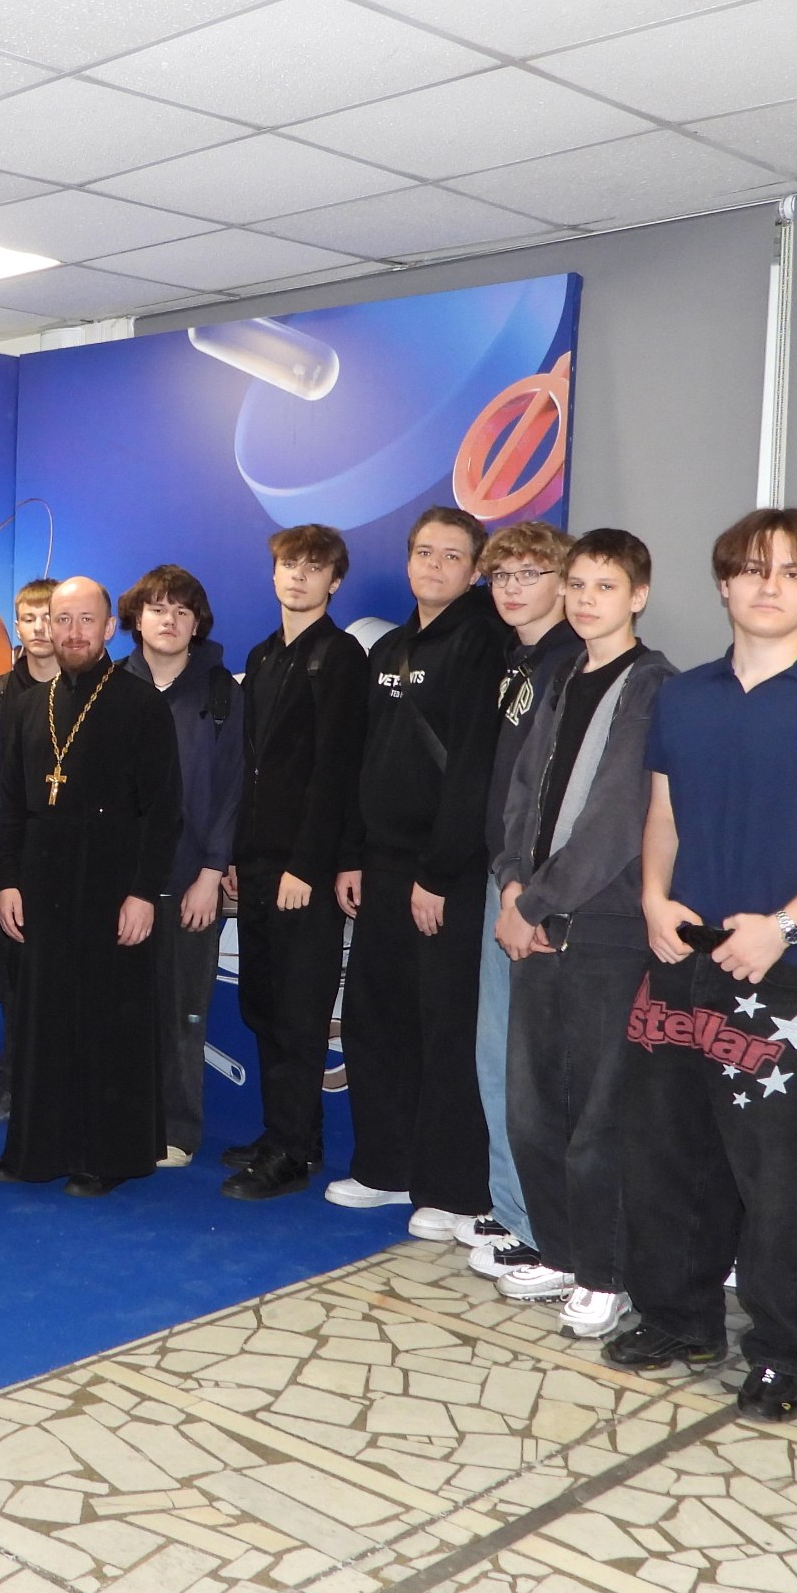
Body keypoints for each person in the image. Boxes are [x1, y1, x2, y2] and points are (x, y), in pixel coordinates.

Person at [609, 507, 797, 1423]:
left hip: (791, 974)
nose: (767, 585)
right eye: (749, 568)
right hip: (682, 958)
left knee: (778, 1179)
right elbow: (665, 813)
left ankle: (783, 1352)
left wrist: (782, 925)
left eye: (789, 571)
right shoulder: (685, 696)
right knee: (667, 1155)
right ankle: (679, 1320)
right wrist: (653, 897)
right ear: (724, 583)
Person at [490, 530, 675, 1341]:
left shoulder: (652, 685)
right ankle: (562, 1250)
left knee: (600, 1109)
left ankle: (606, 1272)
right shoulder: (562, 675)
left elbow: (616, 819)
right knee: (535, 1103)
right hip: (536, 911)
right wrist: (511, 882)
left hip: (603, 924)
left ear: (638, 595)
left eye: (606, 586)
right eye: (578, 585)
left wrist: (537, 904)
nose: (587, 599)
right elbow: (522, 791)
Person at [333, 506, 510, 1235]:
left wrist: (437, 873)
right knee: (377, 1020)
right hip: (380, 865)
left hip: (448, 872)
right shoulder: (389, 647)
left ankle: (454, 1189)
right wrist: (352, 854)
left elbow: (474, 767)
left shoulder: (485, 642)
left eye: (451, 556)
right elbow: (363, 757)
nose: (434, 566)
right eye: (424, 553)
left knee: (447, 1028)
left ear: (475, 570)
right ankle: (386, 1167)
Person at [0, 577, 182, 1195]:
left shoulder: (140, 703)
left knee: (109, 1024)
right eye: (62, 619)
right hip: (42, 885)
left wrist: (144, 893)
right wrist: (8, 881)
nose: (72, 632)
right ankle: (39, 1149)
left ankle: (107, 1157)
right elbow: (11, 804)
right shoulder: (27, 706)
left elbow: (163, 811)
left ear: (108, 628)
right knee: (43, 1020)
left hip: (113, 887)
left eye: (85, 620)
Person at [223, 525, 369, 1201]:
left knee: (298, 1009)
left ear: (334, 581)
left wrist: (306, 867)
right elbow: (247, 765)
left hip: (300, 869)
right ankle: (291, 1136)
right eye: (288, 565)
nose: (298, 577)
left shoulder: (340, 657)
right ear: (273, 572)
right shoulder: (263, 654)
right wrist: (233, 853)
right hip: (254, 861)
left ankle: (288, 1151)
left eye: (314, 568)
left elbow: (336, 770)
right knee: (263, 1004)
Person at [464, 520, 581, 1281]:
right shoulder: (519, 661)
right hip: (502, 875)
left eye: (529, 574)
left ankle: (541, 1223)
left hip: (542, 890)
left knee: (532, 1063)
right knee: (498, 1054)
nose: (511, 588)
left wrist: (531, 894)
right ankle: (512, 1207)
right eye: (501, 575)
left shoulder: (572, 663)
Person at [121, 565, 240, 1168]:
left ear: (197, 624)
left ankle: (176, 1129)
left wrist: (212, 873)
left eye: (182, 611)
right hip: (122, 884)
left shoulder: (221, 692)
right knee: (120, 1009)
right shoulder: (111, 686)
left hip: (192, 880)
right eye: (158, 608)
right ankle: (120, 1121)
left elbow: (232, 788)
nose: (168, 620)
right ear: (136, 618)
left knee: (182, 1012)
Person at [0, 578, 60, 1133]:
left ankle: (59, 1087)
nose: (41, 628)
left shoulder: (91, 691)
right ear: (16, 625)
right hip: (7, 857)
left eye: (51, 616)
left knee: (64, 981)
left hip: (71, 861)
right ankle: (12, 1082)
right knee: (10, 983)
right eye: (29, 618)